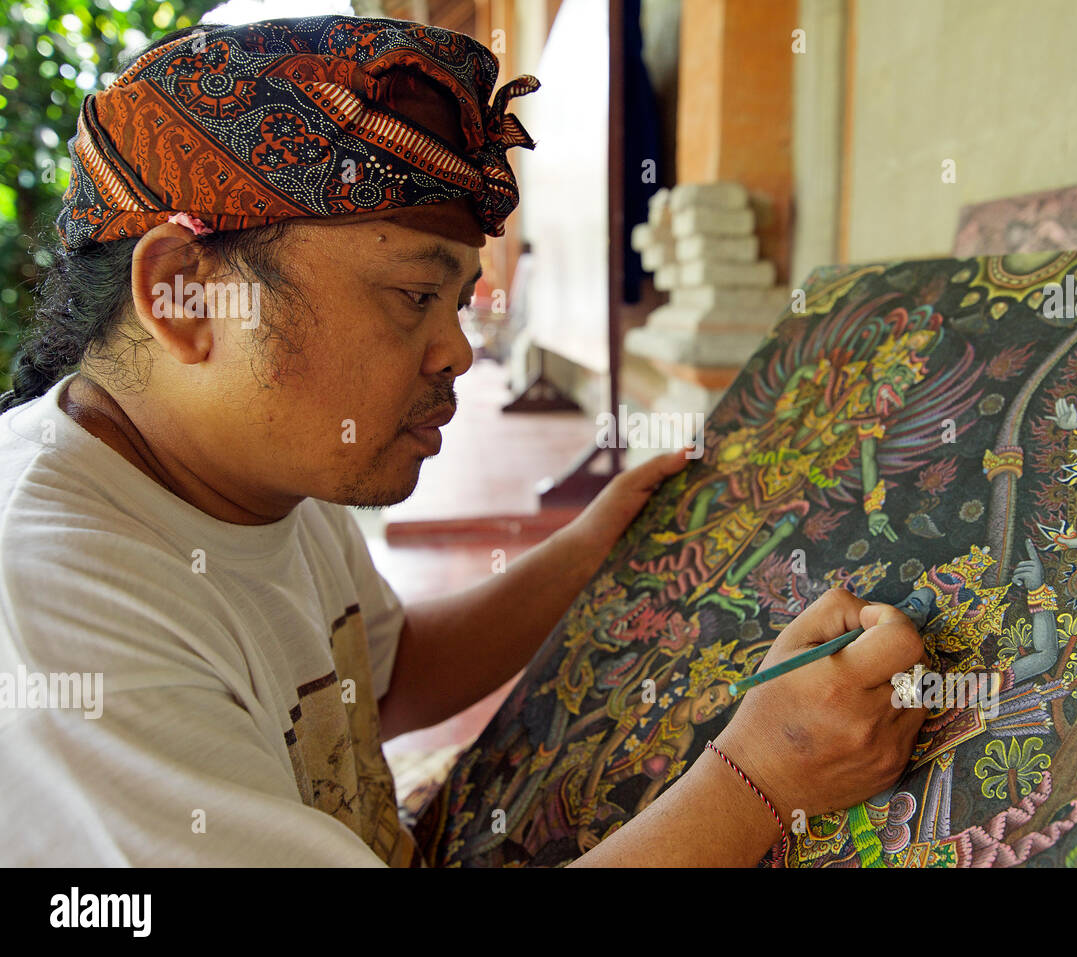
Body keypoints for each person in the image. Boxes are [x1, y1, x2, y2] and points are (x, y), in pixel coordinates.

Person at [0, 15, 925, 866]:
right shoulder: (52, 614)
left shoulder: (246, 473)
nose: (456, 350)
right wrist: (763, 778)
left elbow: (387, 675)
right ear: (184, 296)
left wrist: (590, 548)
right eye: (413, 295)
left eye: (456, 301)